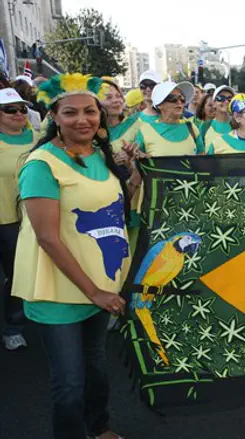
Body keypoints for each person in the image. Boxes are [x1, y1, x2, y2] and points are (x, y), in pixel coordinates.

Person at [13, 73, 135, 439]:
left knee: (96, 368)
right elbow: (48, 238)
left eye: (89, 111)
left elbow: (111, 206)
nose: (82, 119)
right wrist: (94, 292)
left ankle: (99, 428)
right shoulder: (41, 165)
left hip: (100, 283)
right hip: (59, 291)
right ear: (54, 117)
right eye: (70, 113)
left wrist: (133, 174)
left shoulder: (100, 155)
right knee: (69, 384)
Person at [0, 88, 38, 351]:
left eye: (22, 108)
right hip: (4, 217)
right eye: (10, 109)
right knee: (11, 274)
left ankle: (20, 324)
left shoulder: (39, 139)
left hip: (30, 218)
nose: (18, 114)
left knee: (26, 272)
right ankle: (11, 325)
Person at [134, 81, 203, 156]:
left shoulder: (191, 127)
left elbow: (202, 159)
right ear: (160, 105)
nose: (179, 102)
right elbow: (135, 159)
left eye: (182, 98)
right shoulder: (145, 131)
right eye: (173, 99)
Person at [101, 78, 141, 154]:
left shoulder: (137, 124)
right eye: (108, 97)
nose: (116, 100)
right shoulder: (91, 132)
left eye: (118, 96)